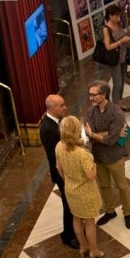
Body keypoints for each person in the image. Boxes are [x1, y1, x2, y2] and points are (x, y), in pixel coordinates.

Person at [84, 80, 130, 229]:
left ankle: (127, 213)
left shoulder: (116, 112)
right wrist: (105, 134)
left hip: (115, 157)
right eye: (90, 95)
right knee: (104, 186)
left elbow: (111, 141)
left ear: (104, 95)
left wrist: (95, 134)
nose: (91, 98)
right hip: (98, 156)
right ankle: (109, 211)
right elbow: (89, 136)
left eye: (94, 95)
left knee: (122, 186)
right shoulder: (89, 112)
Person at [55, 115, 104, 258]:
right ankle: (94, 251)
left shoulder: (58, 146)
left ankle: (83, 246)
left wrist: (69, 180)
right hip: (86, 192)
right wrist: (94, 165)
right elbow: (91, 175)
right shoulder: (82, 154)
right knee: (89, 222)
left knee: (76, 218)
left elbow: (58, 167)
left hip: (70, 190)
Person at [40, 94, 79, 249]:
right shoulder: (48, 128)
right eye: (62, 105)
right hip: (62, 174)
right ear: (53, 108)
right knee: (68, 204)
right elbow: (53, 156)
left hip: (66, 171)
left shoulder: (57, 122)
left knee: (70, 203)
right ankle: (68, 235)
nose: (65, 107)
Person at [103, 5, 130, 112]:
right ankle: (114, 108)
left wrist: (127, 40)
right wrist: (121, 41)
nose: (118, 18)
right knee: (117, 83)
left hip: (123, 57)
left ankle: (120, 104)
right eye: (116, 16)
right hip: (114, 59)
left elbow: (122, 36)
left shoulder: (118, 24)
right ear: (110, 16)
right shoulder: (106, 29)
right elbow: (108, 46)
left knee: (122, 82)